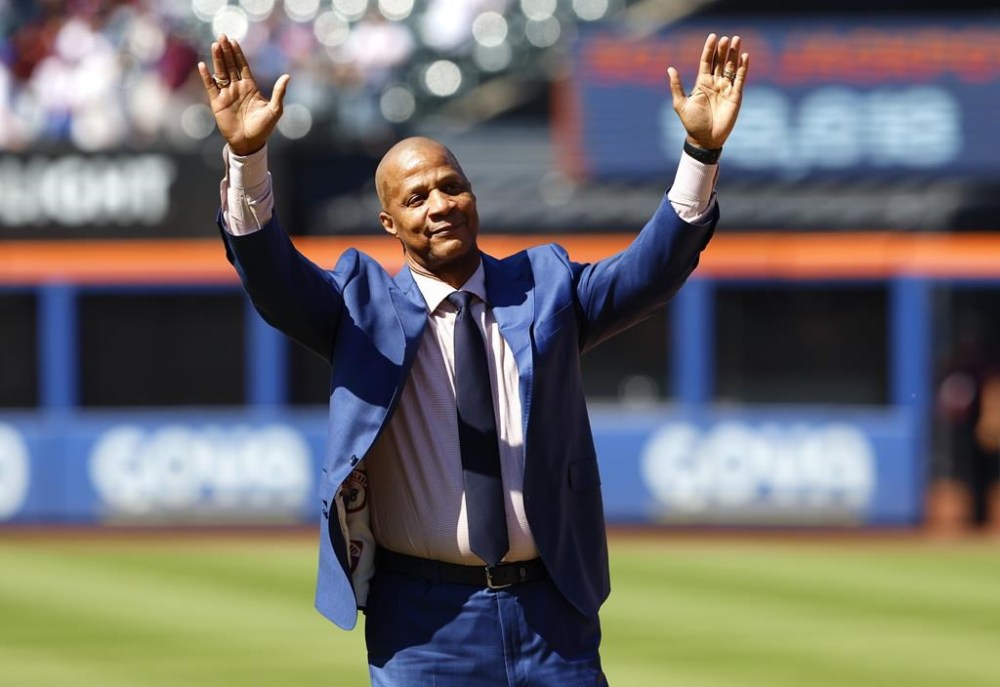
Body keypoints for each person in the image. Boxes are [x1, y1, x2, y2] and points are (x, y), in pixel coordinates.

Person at [198, 31, 749, 686]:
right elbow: (272, 275)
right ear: (389, 224)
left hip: (552, 612)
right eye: (416, 197)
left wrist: (701, 152)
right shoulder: (359, 306)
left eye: (450, 186)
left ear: (474, 197)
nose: (439, 205)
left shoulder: (545, 285)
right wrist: (247, 155)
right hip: (424, 621)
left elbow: (648, 274)